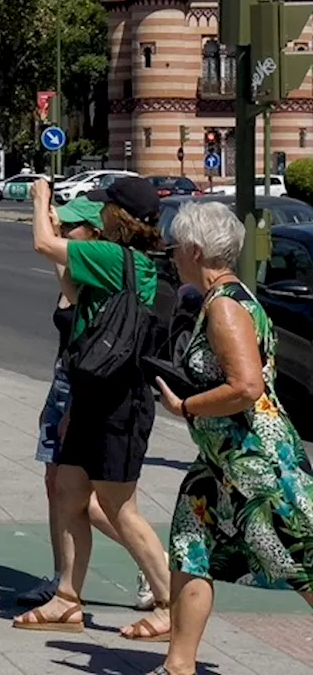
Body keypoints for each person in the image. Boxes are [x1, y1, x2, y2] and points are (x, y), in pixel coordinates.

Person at [149, 201, 313, 675]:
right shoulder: (228, 297)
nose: (172, 255)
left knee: (300, 560)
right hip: (220, 463)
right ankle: (178, 666)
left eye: (177, 247)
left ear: (196, 251)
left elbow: (245, 387)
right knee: (189, 547)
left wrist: (185, 406)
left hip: (254, 460)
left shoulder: (225, 307)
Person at [13, 176, 172, 640]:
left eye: (105, 208)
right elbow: (73, 289)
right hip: (93, 392)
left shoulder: (112, 257)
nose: (98, 214)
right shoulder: (123, 263)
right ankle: (67, 597)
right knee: (67, 489)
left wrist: (41, 199)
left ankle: (169, 602)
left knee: (119, 506)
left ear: (118, 217)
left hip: (118, 400)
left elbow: (45, 244)